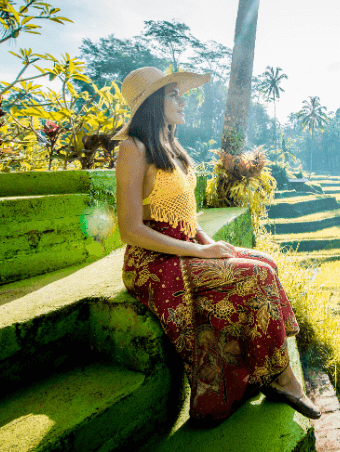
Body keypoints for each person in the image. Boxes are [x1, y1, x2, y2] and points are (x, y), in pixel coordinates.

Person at [114, 67, 321, 425]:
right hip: (151, 261)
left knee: (264, 262)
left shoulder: (171, 148)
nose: (182, 101)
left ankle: (266, 370)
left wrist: (212, 245)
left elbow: (185, 218)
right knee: (255, 276)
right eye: (173, 95)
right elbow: (130, 230)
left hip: (184, 246)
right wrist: (199, 252)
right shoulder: (133, 148)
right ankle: (282, 379)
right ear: (152, 102)